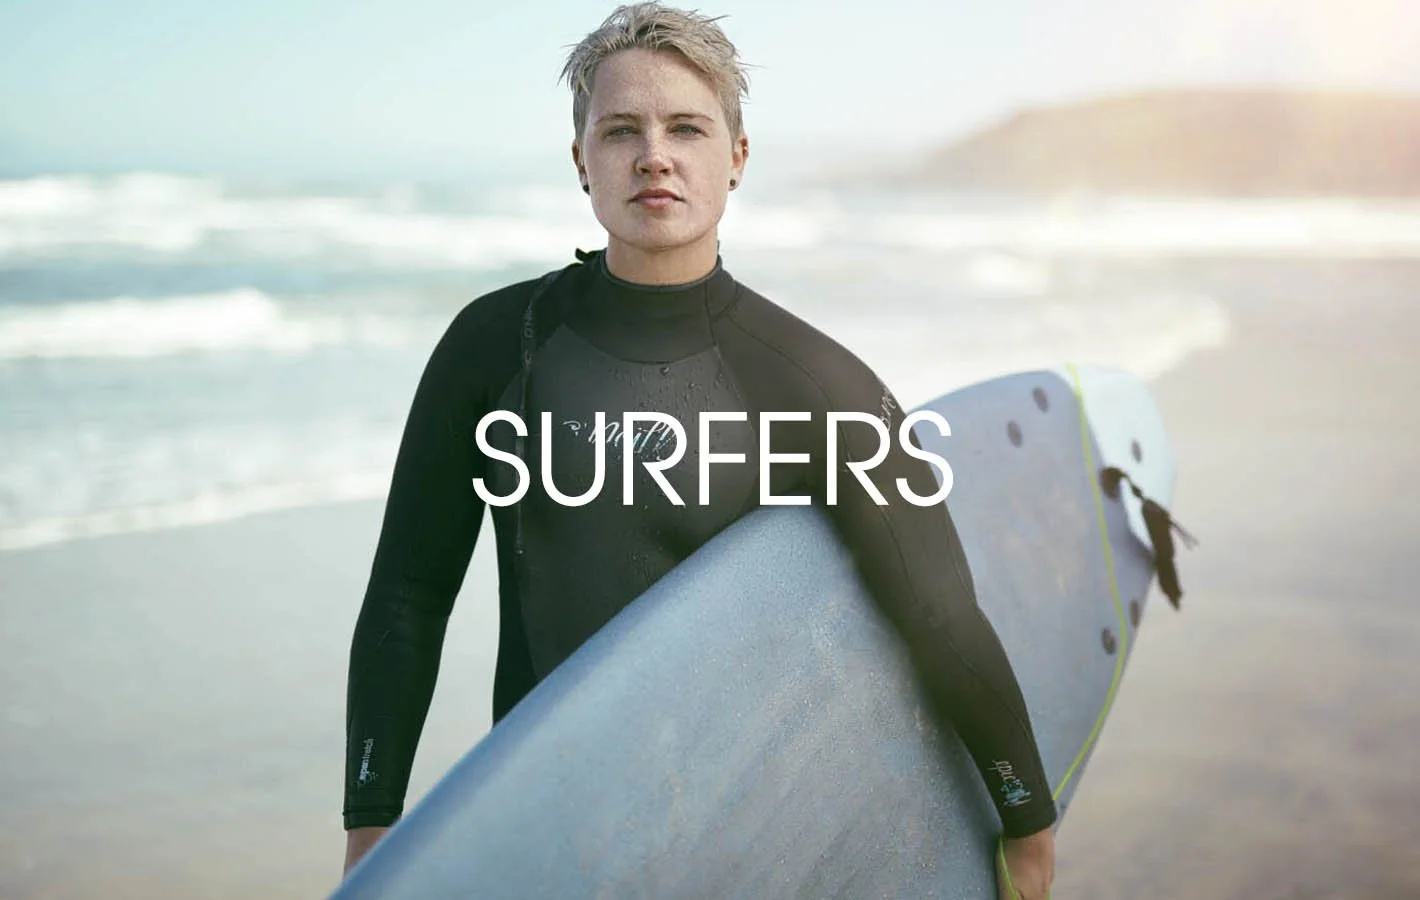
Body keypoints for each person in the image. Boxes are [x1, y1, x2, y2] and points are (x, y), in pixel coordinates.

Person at [342, 4, 1057, 897]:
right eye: (620, 131)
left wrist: (1026, 823)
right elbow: (409, 597)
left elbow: (937, 614)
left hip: (745, 836)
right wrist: (371, 828)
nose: (655, 154)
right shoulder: (494, 348)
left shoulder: (813, 383)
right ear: (582, 164)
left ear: (737, 159)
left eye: (687, 127)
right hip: (551, 840)